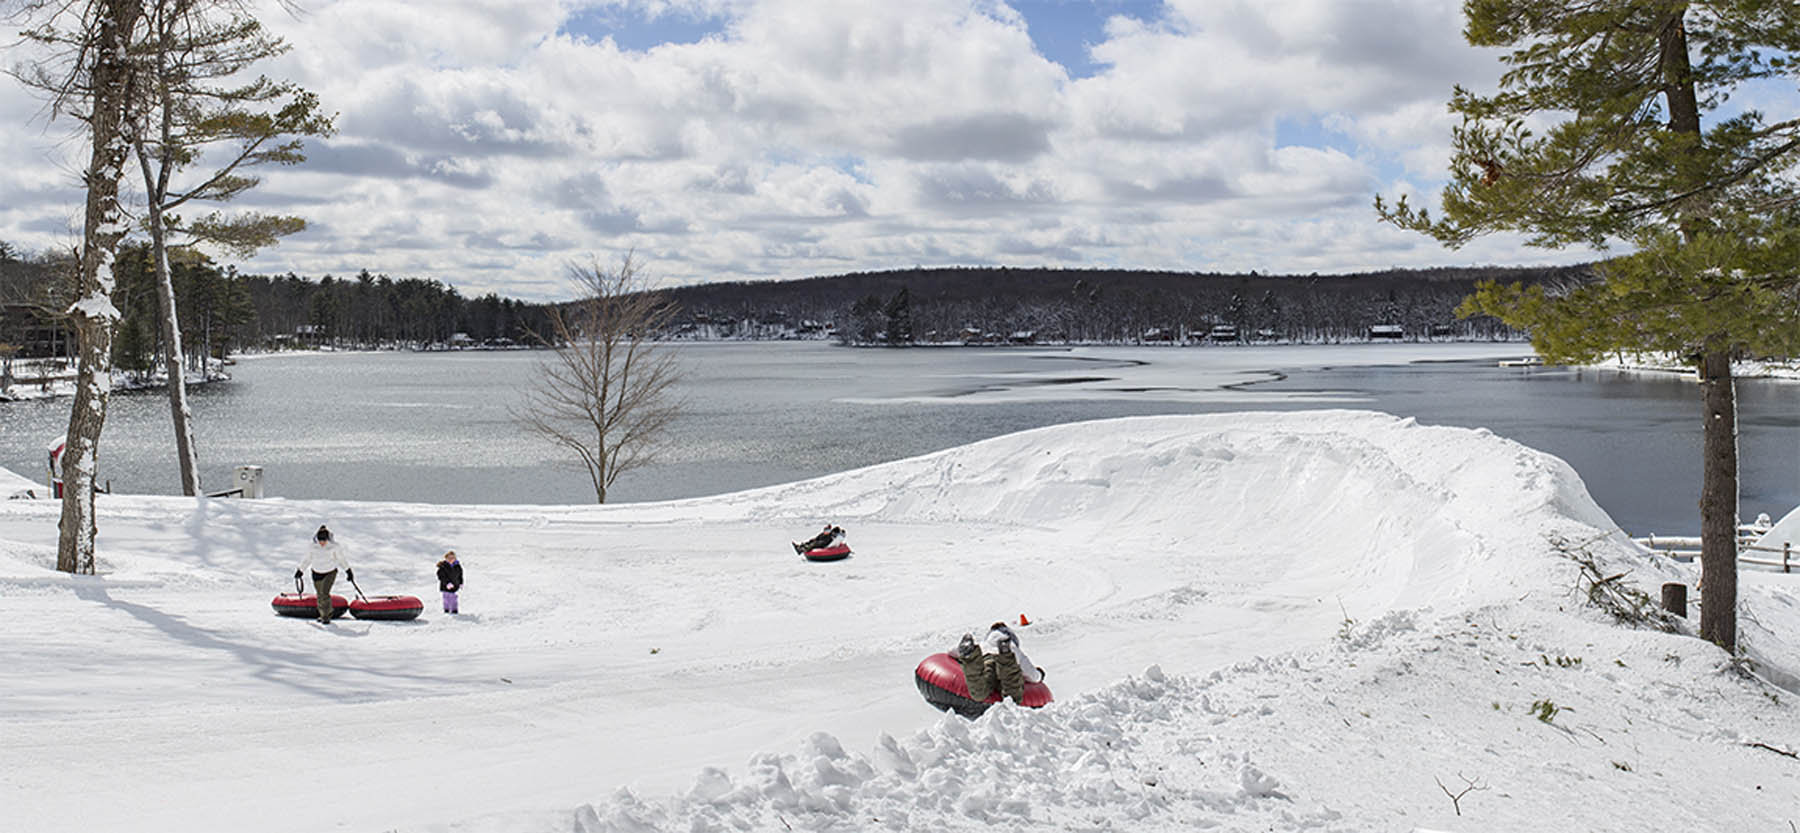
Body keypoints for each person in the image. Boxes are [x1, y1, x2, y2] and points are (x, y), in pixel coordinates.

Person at [953, 621, 1044, 704]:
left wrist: (962, 656)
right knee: (1012, 694)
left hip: (988, 662)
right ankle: (1006, 655)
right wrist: (1040, 674)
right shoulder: (1014, 648)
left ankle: (971, 658)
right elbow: (1032, 674)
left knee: (979, 692)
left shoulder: (983, 645)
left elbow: (953, 651)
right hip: (1009, 663)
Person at [293, 525, 351, 623]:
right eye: (320, 540)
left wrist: (348, 571)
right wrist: (300, 570)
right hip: (316, 572)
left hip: (330, 572)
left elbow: (341, 559)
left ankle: (326, 616)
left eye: (324, 540)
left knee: (324, 593)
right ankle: (323, 614)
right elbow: (307, 559)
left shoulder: (334, 546)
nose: (322, 543)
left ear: (327, 539)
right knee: (320, 595)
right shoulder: (312, 547)